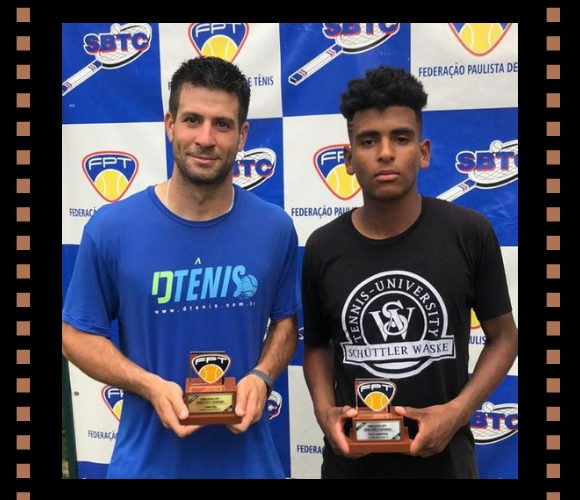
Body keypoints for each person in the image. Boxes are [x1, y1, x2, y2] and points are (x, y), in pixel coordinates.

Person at [62, 56, 299, 479]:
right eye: (192, 120)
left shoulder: (275, 229)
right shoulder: (112, 229)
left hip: (250, 467)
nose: (205, 138)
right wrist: (149, 385)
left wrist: (262, 376)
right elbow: (75, 334)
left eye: (222, 124)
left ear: (242, 135)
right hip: (146, 467)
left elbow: (286, 322)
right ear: (170, 124)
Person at [301, 66, 518, 479]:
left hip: (446, 465)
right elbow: (317, 346)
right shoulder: (322, 247)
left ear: (423, 152)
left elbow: (505, 338)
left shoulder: (469, 233)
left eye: (401, 138)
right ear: (349, 158)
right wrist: (323, 410)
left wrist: (457, 412)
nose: (385, 152)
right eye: (369, 140)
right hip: (352, 466)